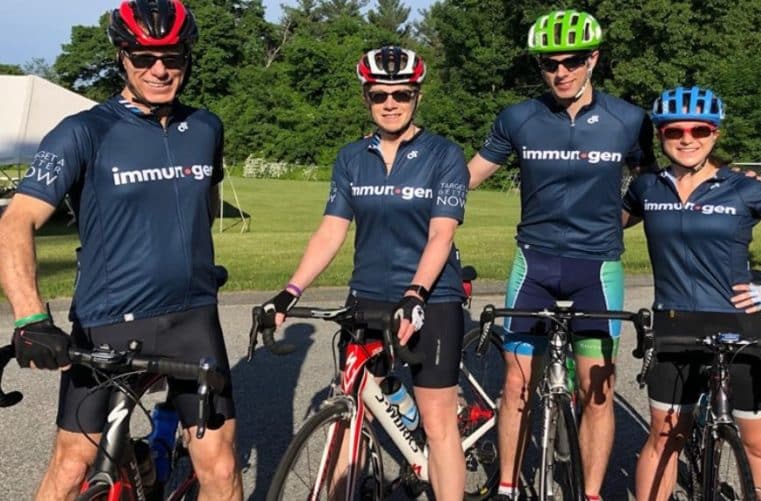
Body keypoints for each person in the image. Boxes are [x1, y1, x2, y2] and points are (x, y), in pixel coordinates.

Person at [0, 1, 242, 499]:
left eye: (172, 57)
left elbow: (206, 201)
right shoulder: (83, 131)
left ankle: (152, 460)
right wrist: (29, 319)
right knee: (71, 468)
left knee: (219, 468)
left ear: (187, 59)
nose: (159, 69)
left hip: (193, 319)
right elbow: (15, 221)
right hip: (111, 319)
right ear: (122, 58)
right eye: (143, 57)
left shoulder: (206, 128)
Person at [264, 45, 470, 500]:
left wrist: (416, 293)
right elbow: (331, 232)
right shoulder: (351, 158)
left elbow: (441, 235)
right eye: (380, 95)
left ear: (417, 95)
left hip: (430, 301)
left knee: (437, 423)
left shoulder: (443, 155)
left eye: (401, 94)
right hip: (368, 299)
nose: (391, 104)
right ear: (366, 98)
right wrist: (289, 291)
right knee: (357, 408)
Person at [467, 10, 655, 500]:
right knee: (516, 385)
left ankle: (589, 493)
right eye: (550, 65)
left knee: (598, 392)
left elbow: (654, 186)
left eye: (572, 61)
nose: (561, 73)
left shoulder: (630, 120)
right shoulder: (518, 118)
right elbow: (465, 179)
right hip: (534, 265)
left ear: (593, 59)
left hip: (598, 269)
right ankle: (508, 485)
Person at [625, 85, 761, 501]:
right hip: (673, 324)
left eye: (700, 130)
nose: (688, 138)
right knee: (663, 439)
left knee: (760, 445)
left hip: (739, 323)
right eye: (675, 131)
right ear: (661, 136)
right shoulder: (646, 189)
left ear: (715, 135)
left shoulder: (744, 187)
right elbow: (601, 226)